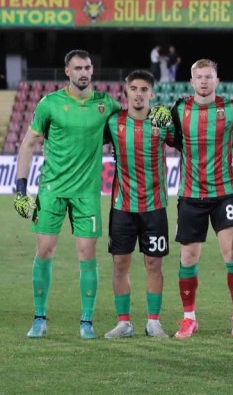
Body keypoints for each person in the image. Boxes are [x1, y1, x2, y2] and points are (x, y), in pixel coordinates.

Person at [13, 50, 123, 339]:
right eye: (78, 68)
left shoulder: (106, 104)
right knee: (45, 250)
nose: (84, 72)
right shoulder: (50, 104)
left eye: (88, 67)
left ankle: (86, 322)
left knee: (87, 254)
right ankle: (39, 318)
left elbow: (129, 124)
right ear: (67, 71)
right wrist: (21, 190)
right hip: (52, 189)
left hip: (87, 192)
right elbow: (27, 144)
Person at [168, 59, 233, 339]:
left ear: (217, 80)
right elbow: (168, 138)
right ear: (191, 81)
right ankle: (189, 318)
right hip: (191, 194)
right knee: (188, 256)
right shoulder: (179, 109)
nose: (204, 81)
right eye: (199, 77)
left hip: (224, 193)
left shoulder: (230, 108)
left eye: (209, 77)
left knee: (231, 252)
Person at [102, 71, 174, 339]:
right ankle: (124, 322)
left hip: (154, 206)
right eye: (134, 88)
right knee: (120, 264)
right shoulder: (114, 122)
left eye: (144, 89)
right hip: (122, 207)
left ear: (152, 93)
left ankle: (153, 322)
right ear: (126, 91)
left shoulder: (162, 121)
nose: (139, 93)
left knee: (154, 265)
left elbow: (185, 144)